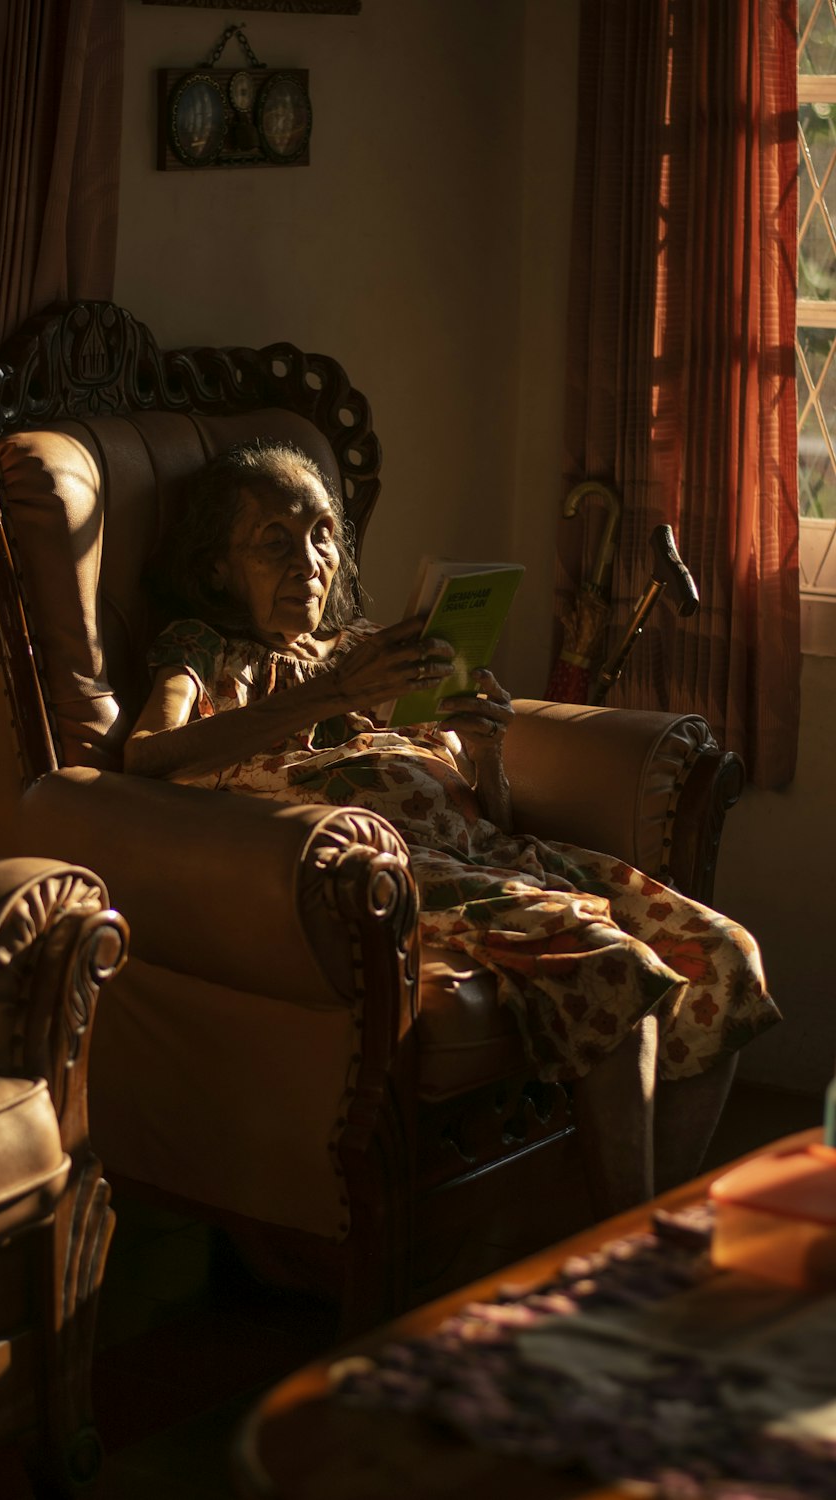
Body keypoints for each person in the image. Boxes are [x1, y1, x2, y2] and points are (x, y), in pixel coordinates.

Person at [126, 441, 781, 1217]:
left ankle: (650, 1230)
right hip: (398, 875)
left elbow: (490, 813)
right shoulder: (208, 650)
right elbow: (145, 757)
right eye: (275, 540)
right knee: (616, 969)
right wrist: (329, 693)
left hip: (491, 854)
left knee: (724, 955)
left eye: (323, 533)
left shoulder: (364, 653)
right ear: (215, 571)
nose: (309, 559)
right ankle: (625, 1250)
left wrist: (487, 749)